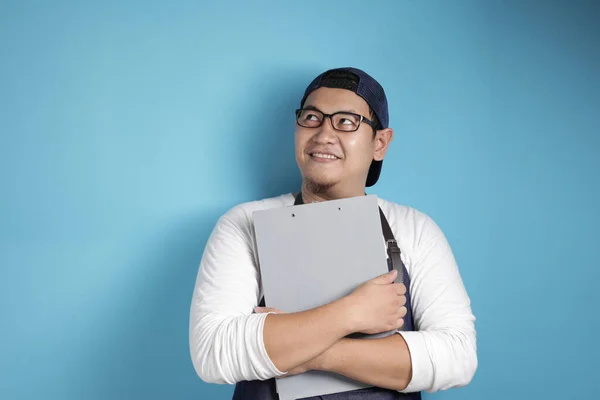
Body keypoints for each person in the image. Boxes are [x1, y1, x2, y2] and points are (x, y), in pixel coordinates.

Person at [189, 67, 477, 399]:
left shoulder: (415, 230)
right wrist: (351, 312)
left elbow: (458, 356)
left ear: (379, 143)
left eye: (346, 121)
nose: (324, 134)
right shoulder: (244, 224)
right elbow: (213, 353)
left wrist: (307, 350)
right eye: (311, 117)